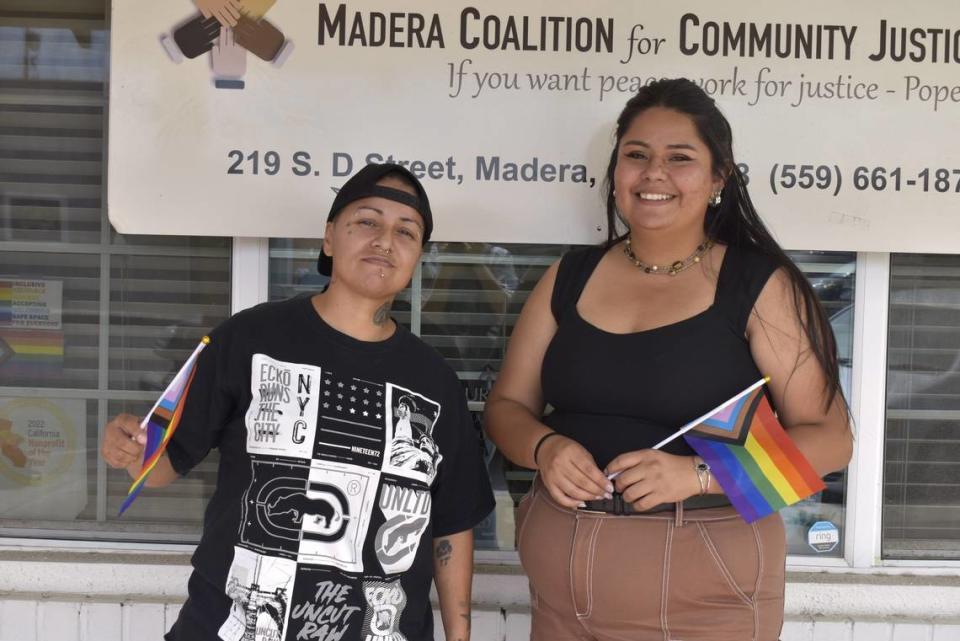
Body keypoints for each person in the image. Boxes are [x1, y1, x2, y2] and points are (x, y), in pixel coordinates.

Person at [484, 79, 853, 641]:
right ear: (616, 172)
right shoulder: (571, 275)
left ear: (718, 178)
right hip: (561, 584)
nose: (654, 173)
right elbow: (507, 406)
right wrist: (544, 447)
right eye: (637, 156)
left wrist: (698, 474)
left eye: (679, 158)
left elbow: (830, 439)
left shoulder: (755, 285)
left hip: (704, 585)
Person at [101, 162, 494, 641]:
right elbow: (163, 464)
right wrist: (131, 449)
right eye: (367, 221)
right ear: (330, 237)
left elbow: (451, 525)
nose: (384, 241)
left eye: (405, 232)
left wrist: (460, 636)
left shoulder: (434, 382)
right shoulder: (250, 337)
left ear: (417, 256)